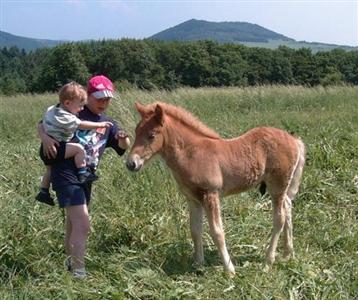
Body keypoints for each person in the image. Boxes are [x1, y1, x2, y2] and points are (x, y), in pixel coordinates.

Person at [38, 75, 130, 278]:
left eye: (107, 99)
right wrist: (44, 138)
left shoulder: (108, 122)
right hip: (65, 173)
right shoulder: (74, 110)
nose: (104, 103)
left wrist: (123, 140)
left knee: (73, 224)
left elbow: (122, 147)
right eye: (99, 98)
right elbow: (43, 123)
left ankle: (70, 265)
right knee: (83, 224)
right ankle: (79, 273)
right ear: (87, 96)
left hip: (86, 177)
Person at [36, 81, 113, 206]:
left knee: (49, 170)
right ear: (67, 103)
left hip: (45, 149)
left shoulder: (52, 109)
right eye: (80, 106)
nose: (82, 109)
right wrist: (100, 125)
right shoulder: (67, 117)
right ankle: (83, 173)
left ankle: (43, 191)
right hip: (57, 148)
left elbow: (41, 123)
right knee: (79, 149)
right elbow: (81, 124)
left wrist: (44, 137)